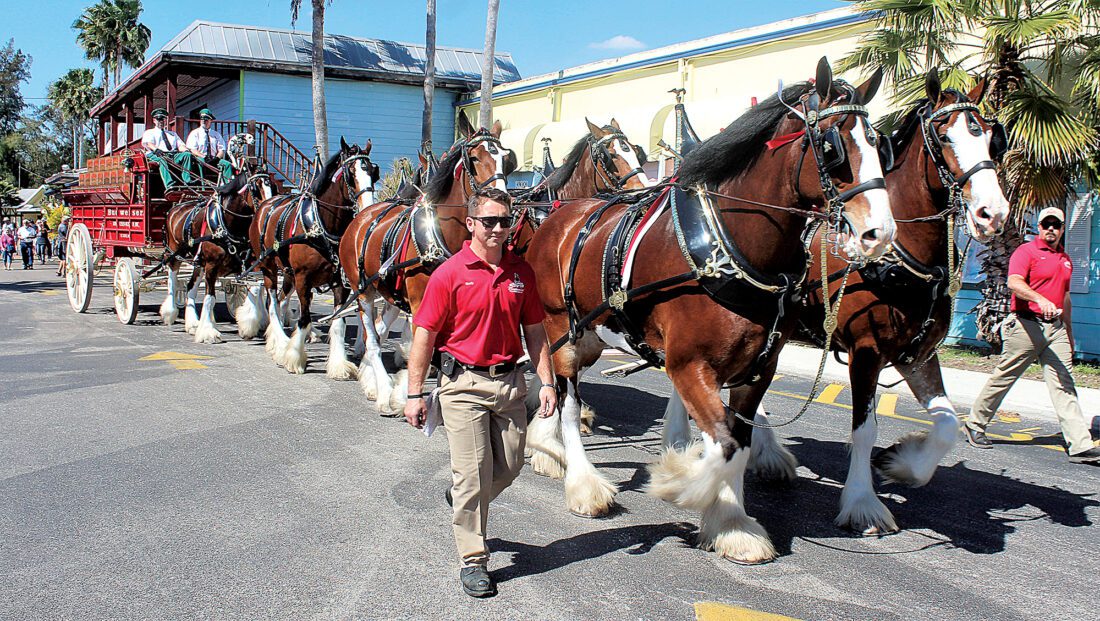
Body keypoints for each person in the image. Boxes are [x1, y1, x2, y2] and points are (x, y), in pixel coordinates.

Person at [404, 188, 558, 598]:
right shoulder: (449, 274)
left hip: (510, 384)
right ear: (471, 224)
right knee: (472, 474)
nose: (496, 229)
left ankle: (461, 498)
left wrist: (547, 381)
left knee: (508, 467)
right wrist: (414, 392)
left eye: (503, 221)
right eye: (487, 221)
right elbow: (425, 335)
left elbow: (536, 332)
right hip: (463, 387)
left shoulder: (521, 273)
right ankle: (473, 558)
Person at [965, 206, 1100, 464]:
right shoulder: (1025, 252)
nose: (1051, 229)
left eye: (1056, 225)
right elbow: (1014, 282)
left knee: (1064, 383)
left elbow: (1066, 297)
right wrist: (1040, 299)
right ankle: (975, 423)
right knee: (1005, 376)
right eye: (1046, 224)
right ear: (1039, 227)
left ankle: (1080, 445)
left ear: (1062, 229)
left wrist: (1069, 332)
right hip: (1026, 326)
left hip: (1056, 328)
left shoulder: (1065, 259)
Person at [141, 108, 193, 189]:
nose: (161, 121)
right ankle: (170, 185)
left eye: (163, 119)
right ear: (154, 120)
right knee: (163, 160)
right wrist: (156, 150)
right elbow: (149, 143)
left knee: (187, 155)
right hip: (156, 154)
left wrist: (186, 150)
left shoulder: (172, 134)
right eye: (159, 119)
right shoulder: (149, 132)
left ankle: (187, 181)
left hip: (172, 155)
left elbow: (180, 145)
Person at [185, 108, 233, 184]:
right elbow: (193, 150)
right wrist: (204, 157)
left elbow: (222, 150)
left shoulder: (216, 134)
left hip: (214, 159)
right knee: (202, 162)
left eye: (206, 119)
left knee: (227, 164)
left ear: (211, 120)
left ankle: (227, 187)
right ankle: (204, 187)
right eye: (202, 119)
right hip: (200, 158)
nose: (204, 121)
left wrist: (216, 159)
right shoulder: (194, 133)